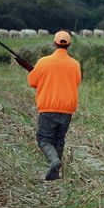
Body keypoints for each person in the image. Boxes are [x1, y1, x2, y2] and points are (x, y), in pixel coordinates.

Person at [28, 30, 81, 180]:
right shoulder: (75, 64)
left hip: (48, 107)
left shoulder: (43, 62)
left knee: (44, 139)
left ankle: (54, 161)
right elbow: (77, 82)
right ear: (69, 45)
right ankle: (55, 173)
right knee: (59, 139)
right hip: (67, 108)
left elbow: (32, 82)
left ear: (54, 43)